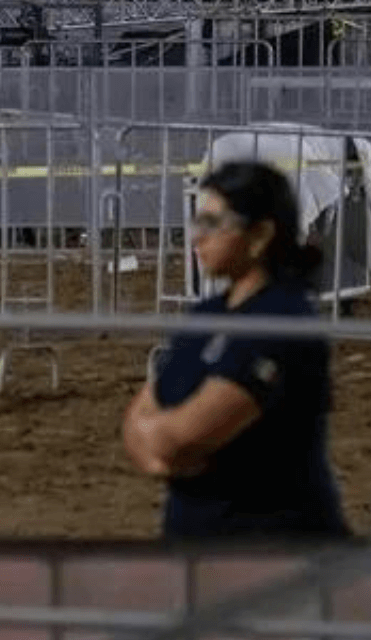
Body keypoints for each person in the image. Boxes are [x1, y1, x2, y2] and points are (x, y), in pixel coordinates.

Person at [120, 160, 350, 541]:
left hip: (273, 555)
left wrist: (163, 443)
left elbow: (184, 435)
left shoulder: (282, 321)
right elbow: (141, 418)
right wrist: (165, 449)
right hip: (202, 551)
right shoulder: (206, 315)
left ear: (259, 235)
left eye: (213, 224)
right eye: (198, 222)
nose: (197, 237)